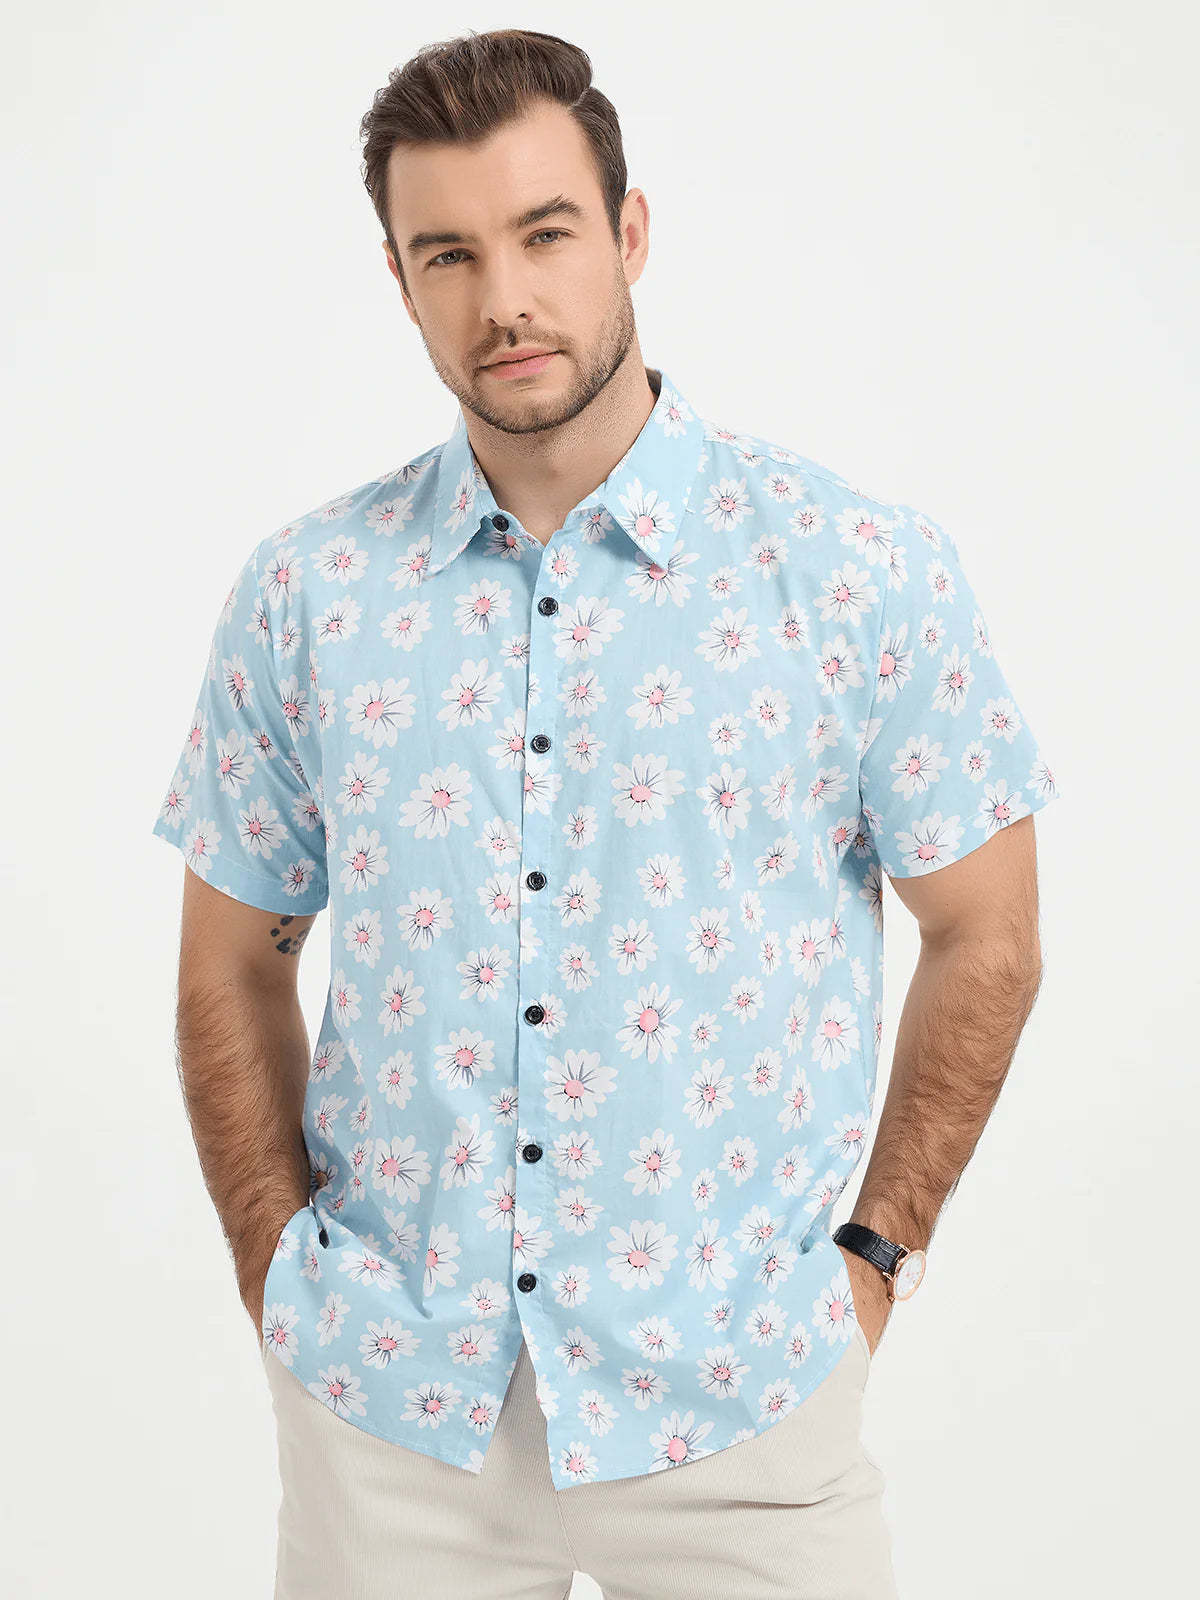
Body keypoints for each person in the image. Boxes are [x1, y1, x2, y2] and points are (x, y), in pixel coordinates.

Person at [151, 26, 1061, 1600]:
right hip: (392, 1422)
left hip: (743, 1412)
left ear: (630, 234)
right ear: (400, 281)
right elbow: (230, 965)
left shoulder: (855, 572)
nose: (504, 298)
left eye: (546, 233)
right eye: (449, 253)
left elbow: (990, 934)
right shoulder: (309, 594)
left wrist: (875, 1259)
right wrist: (278, 1280)